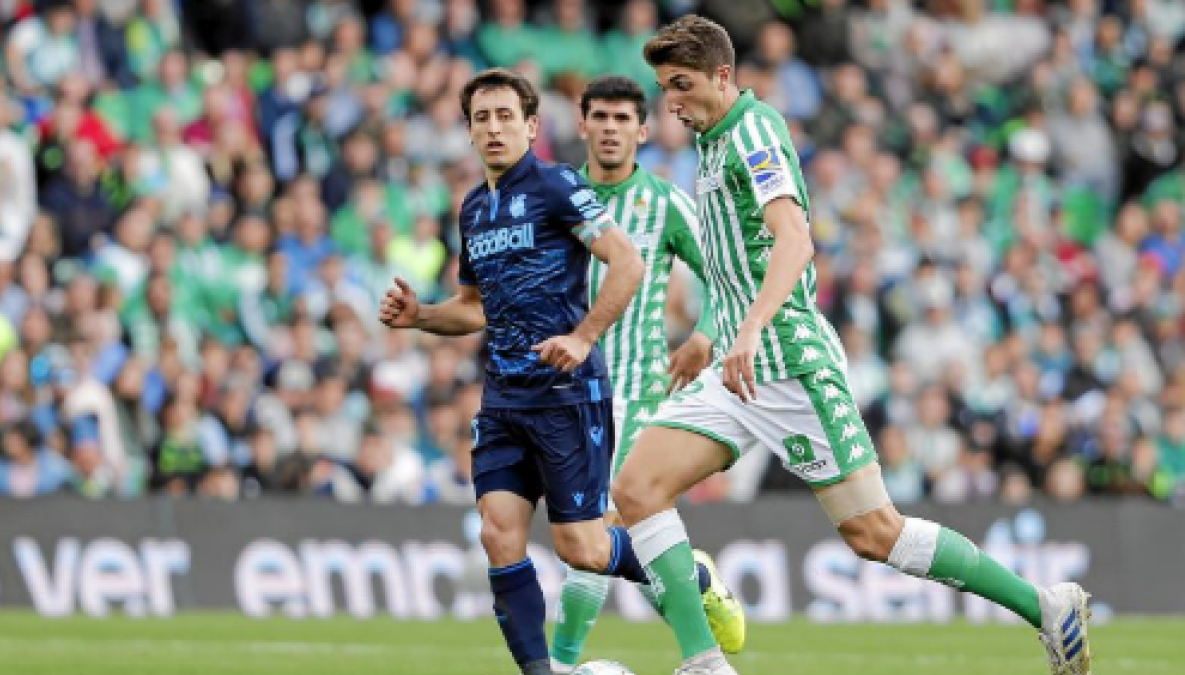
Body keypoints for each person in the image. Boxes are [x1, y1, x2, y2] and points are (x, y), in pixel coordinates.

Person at [610, 15, 1093, 675]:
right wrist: (709, 334)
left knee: (875, 533)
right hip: (734, 370)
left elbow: (794, 239)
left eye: (683, 83)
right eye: (665, 86)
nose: (671, 101)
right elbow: (735, 256)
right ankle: (704, 663)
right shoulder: (712, 140)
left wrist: (748, 326)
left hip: (791, 365)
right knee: (637, 487)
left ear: (723, 76)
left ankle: (1045, 604)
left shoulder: (753, 131)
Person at [378, 68, 730, 675]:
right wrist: (420, 316)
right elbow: (474, 307)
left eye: (505, 116)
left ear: (531, 126)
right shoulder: (473, 209)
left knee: (584, 550)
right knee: (497, 533)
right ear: (467, 131)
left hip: (567, 395)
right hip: (504, 402)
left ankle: (687, 569)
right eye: (481, 118)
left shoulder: (557, 186)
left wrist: (582, 335)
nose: (493, 128)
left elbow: (627, 264)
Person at [550, 74, 744, 674]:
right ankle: (697, 574)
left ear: (642, 129)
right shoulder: (554, 197)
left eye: (621, 119)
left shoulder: (663, 203)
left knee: (597, 527)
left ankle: (560, 664)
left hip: (632, 393)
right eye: (599, 118)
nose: (610, 129)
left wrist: (707, 335)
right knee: (586, 540)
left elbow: (726, 274)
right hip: (558, 398)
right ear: (582, 125)